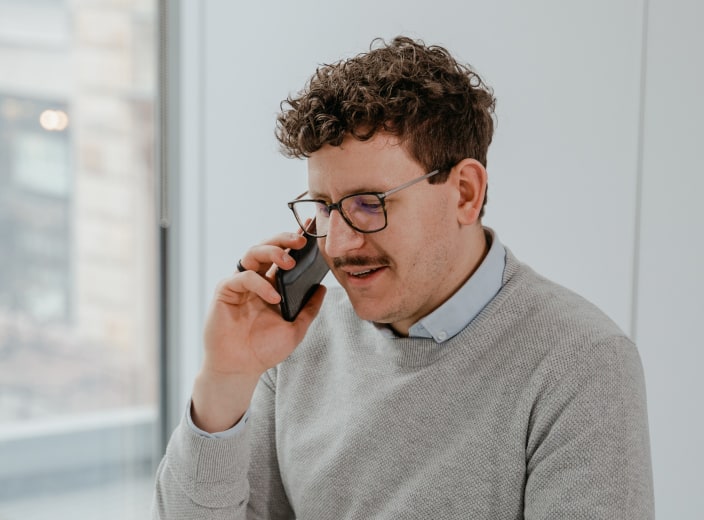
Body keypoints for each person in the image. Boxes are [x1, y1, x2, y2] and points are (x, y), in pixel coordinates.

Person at [153, 36, 654, 519]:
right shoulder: (294, 338)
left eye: (370, 204)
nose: (341, 245)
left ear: (464, 192)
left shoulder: (580, 363)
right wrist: (225, 382)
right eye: (326, 208)